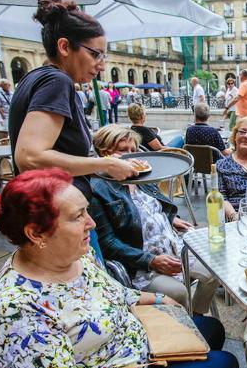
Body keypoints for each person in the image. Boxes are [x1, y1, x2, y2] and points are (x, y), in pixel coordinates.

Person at [0, 168, 238, 368]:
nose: (91, 223)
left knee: (213, 329)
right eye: (77, 216)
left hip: (139, 338)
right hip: (126, 359)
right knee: (226, 361)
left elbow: (115, 292)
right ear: (37, 234)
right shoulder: (16, 311)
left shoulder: (74, 255)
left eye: (86, 212)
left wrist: (160, 298)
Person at [9, 0, 137, 200]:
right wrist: (105, 164)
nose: (102, 65)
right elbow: (29, 157)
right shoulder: (57, 81)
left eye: (104, 56)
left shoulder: (34, 77)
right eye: (96, 54)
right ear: (64, 47)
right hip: (56, 213)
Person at [90, 125, 219, 314]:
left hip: (172, 246)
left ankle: (197, 317)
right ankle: (184, 326)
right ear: (105, 153)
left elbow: (155, 206)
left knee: (214, 271)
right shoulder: (98, 189)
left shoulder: (140, 177)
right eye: (122, 150)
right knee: (179, 292)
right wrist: (150, 260)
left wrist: (171, 218)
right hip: (141, 265)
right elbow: (107, 243)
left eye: (133, 150)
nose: (130, 156)